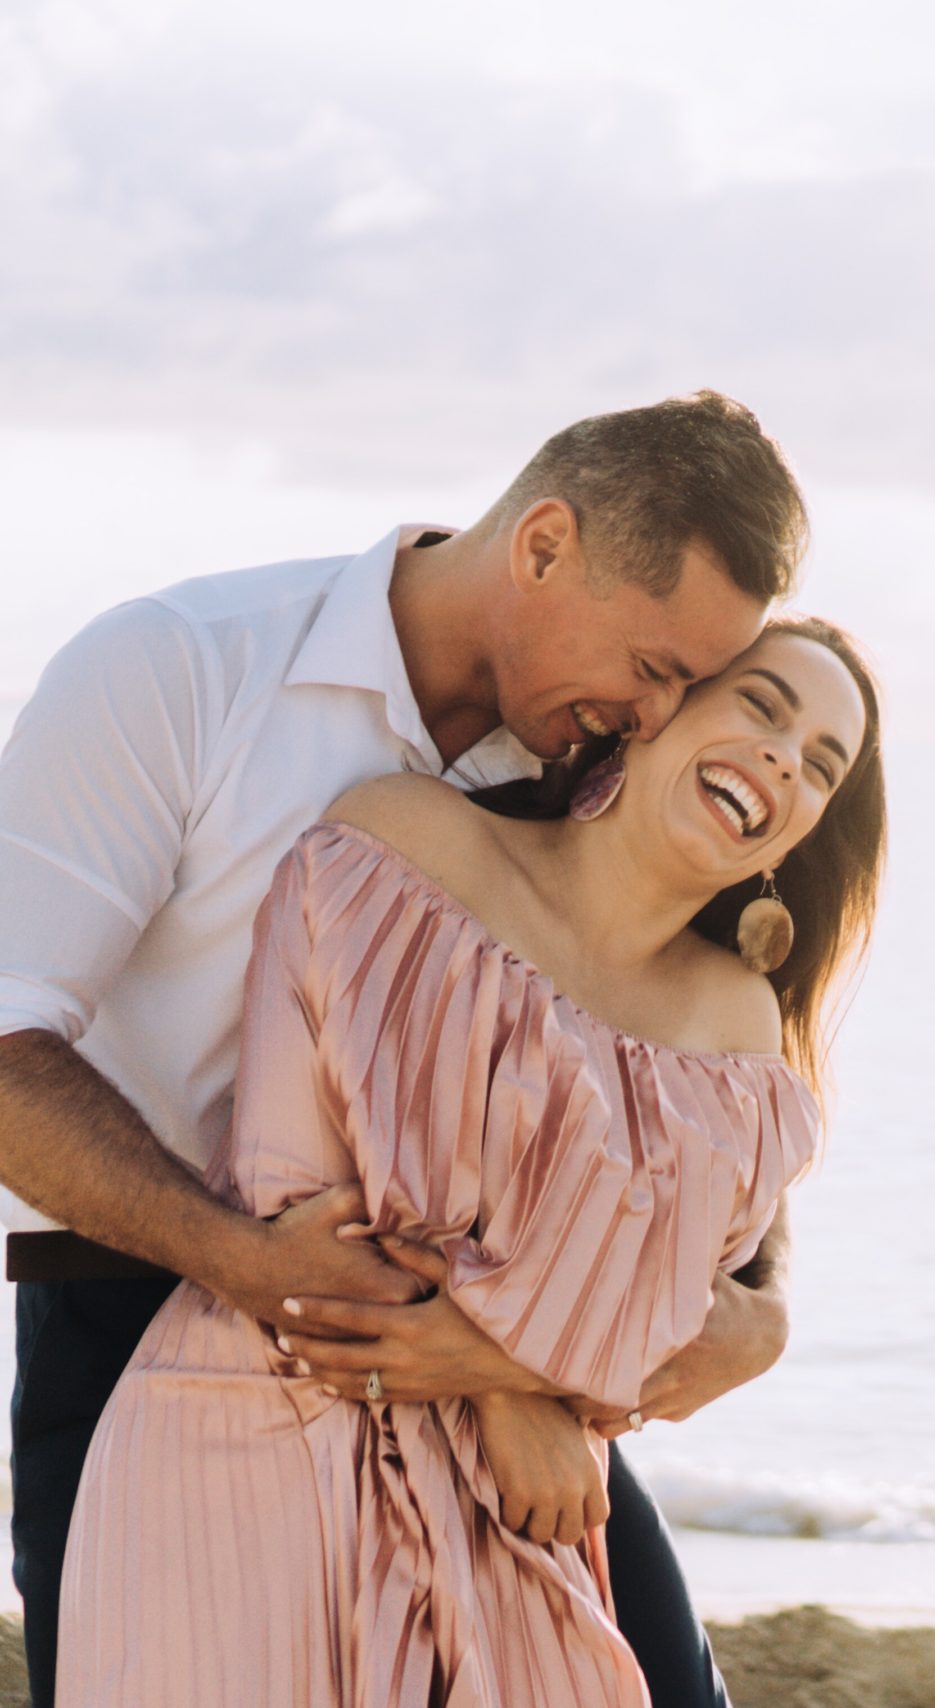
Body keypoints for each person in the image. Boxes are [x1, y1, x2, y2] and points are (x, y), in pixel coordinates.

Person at [0, 392, 807, 1707]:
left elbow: (693, 1079)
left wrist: (758, 1302)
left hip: (499, 1348)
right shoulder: (184, 668)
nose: (657, 716)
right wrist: (242, 1259)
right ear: (542, 545)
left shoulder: (591, 780)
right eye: (654, 667)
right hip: (140, 1304)